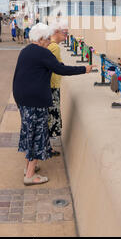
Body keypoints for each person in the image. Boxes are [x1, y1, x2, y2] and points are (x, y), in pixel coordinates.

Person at [13, 23, 95, 186]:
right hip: (35, 100)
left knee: (29, 131)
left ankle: (27, 167)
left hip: (22, 98)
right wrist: (84, 69)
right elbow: (60, 69)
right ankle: (29, 175)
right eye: (47, 38)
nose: (49, 41)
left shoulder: (25, 51)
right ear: (42, 38)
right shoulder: (43, 52)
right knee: (38, 134)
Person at [47, 19, 68, 156]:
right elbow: (57, 68)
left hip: (50, 86)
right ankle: (48, 148)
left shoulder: (50, 45)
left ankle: (47, 147)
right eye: (65, 32)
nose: (66, 35)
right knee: (51, 118)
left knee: (48, 118)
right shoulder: (54, 47)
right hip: (52, 86)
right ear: (56, 32)